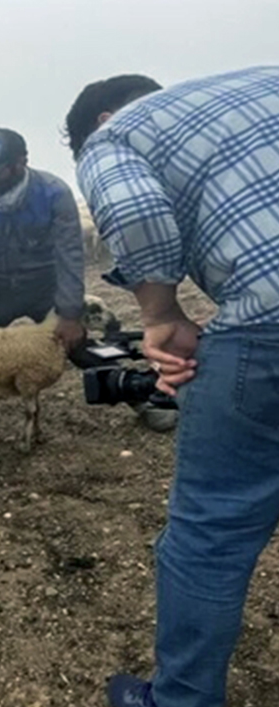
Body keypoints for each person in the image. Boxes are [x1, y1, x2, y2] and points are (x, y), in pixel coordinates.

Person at [66, 65, 279, 707]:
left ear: (99, 124)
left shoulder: (115, 136)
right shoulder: (266, 80)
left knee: (211, 528)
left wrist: (160, 315)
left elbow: (132, 207)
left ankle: (180, 699)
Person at [0, 127, 86, 465]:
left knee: (78, 343)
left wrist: (70, 313)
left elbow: (70, 254)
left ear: (20, 162)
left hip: (43, 283)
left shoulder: (53, 193)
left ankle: (139, 398)